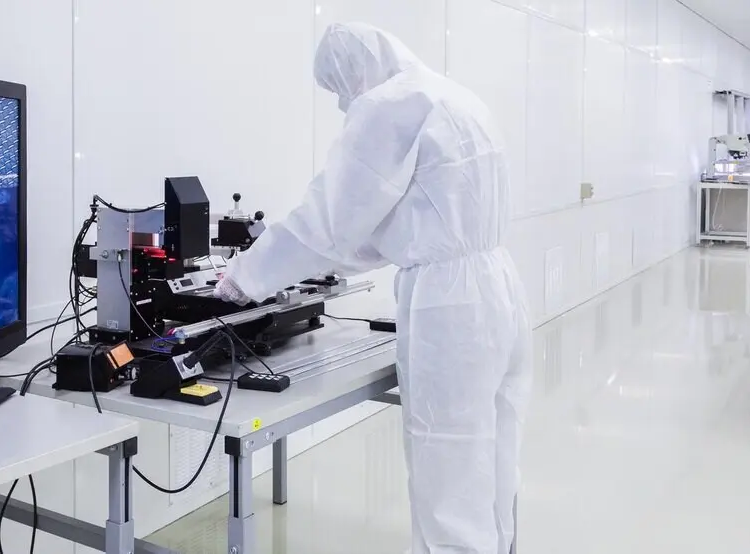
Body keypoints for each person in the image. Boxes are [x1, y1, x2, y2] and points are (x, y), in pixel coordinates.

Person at [214, 22, 532, 554]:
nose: (342, 102)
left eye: (338, 87)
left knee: (447, 462)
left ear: (351, 71)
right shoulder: (452, 96)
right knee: (494, 448)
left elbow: (330, 221)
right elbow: (393, 220)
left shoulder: (389, 106)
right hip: (499, 287)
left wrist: (246, 276)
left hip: (450, 304)